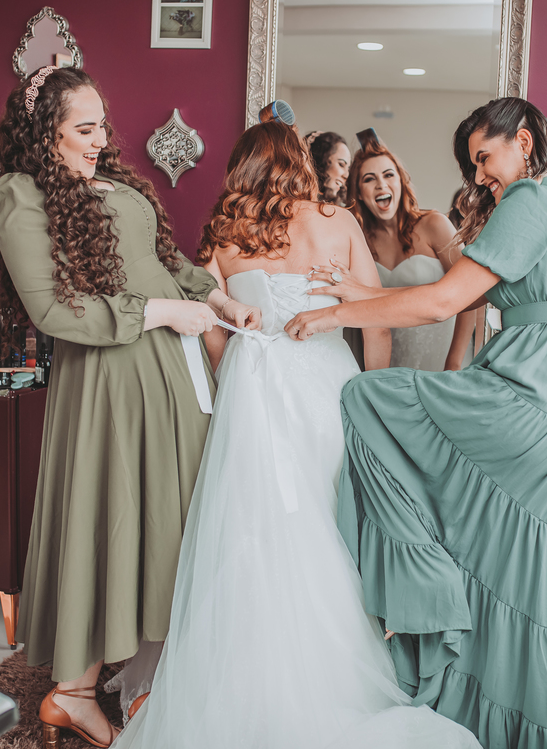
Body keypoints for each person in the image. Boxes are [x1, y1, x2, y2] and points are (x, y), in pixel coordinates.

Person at [112, 120, 476, 749]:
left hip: (252, 385)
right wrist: (373, 393)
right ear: (301, 165)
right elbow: (373, 320)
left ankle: (243, 673)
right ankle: (336, 667)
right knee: (331, 520)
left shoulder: (225, 231)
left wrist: (235, 379)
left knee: (249, 525)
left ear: (241, 168)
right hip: (325, 384)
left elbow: (211, 326)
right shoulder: (337, 223)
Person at [285, 97, 547, 749]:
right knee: (540, 574)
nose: (479, 176)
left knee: (367, 398)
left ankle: (428, 589)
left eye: (484, 157)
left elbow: (445, 301)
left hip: (536, 400)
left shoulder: (531, 199)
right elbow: (458, 294)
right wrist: (361, 294)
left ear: (523, 142)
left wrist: (333, 315)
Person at [0, 66, 261, 749]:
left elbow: (160, 260)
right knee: (107, 517)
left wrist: (216, 298)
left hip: (170, 369)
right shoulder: (21, 195)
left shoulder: (112, 183)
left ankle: (154, 677)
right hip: (108, 380)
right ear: (43, 133)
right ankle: (73, 692)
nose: (100, 140)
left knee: (169, 519)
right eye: (84, 129)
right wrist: (164, 312)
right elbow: (53, 310)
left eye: (101, 125)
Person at [334, 131, 475, 372]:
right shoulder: (357, 241)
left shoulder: (434, 225)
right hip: (384, 366)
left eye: (389, 174)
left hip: (443, 363)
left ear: (401, 181)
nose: (381, 184)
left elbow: (470, 294)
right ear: (359, 192)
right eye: (369, 179)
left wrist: (454, 362)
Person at [304, 130, 351, 206]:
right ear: (320, 161)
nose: (346, 175)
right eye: (341, 164)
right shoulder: (294, 203)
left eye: (348, 169)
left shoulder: (341, 209)